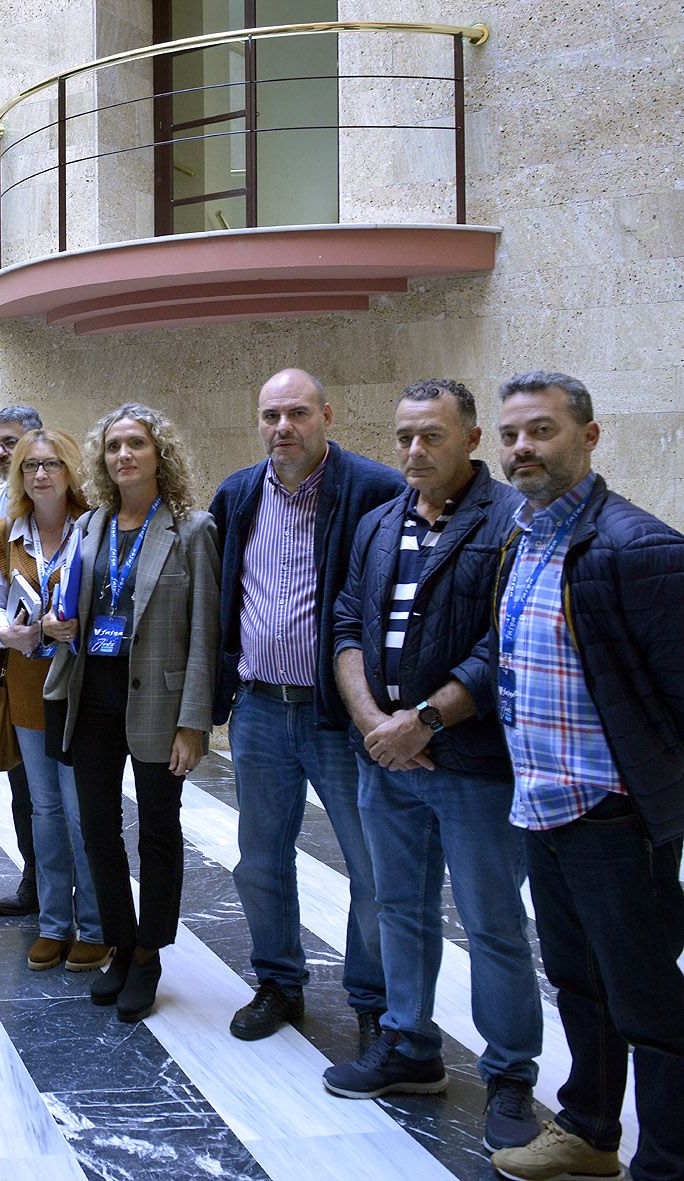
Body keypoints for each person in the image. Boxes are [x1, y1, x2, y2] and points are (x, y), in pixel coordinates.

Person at [326, 380, 541, 1151]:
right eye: (404, 437)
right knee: (397, 906)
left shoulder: (513, 522)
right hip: (385, 760)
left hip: (474, 765)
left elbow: (503, 642)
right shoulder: (379, 522)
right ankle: (411, 1044)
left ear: (473, 438)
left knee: (491, 923)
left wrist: (422, 720)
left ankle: (511, 1070)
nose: (414, 451)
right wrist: (375, 724)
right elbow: (347, 621)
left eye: (432, 437)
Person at [485, 372, 684, 1181]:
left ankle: (666, 1162)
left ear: (590, 437)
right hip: (543, 804)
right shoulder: (523, 537)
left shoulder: (641, 548)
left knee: (647, 1001)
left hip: (613, 811)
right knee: (576, 978)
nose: (521, 448)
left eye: (541, 430)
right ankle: (591, 1129)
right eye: (510, 435)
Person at [209, 368, 405, 1049]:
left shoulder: (376, 489)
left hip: (340, 715)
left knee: (370, 862)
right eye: (270, 415)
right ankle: (278, 981)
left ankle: (373, 1000)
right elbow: (222, 598)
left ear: (328, 413)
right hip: (260, 709)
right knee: (260, 857)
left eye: (296, 412)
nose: (282, 427)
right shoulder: (237, 493)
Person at [46, 404, 219, 1022]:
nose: (124, 455)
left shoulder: (193, 529)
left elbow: (205, 631)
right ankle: (119, 942)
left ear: (158, 455)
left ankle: (149, 953)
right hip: (92, 694)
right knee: (96, 825)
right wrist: (54, 624)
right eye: (114, 445)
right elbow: (70, 600)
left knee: (157, 832)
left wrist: (194, 722)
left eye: (137, 445)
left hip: (160, 701)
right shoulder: (89, 525)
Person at [0, 427, 107, 970]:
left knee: (84, 810)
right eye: (30, 467)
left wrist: (78, 624)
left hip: (85, 685)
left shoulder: (97, 527)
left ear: (70, 470)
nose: (39, 474)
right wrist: (4, 633)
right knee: (46, 808)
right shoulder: (6, 533)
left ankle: (98, 923)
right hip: (30, 683)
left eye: (51, 464)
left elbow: (115, 597)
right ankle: (55, 922)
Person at [0, 405, 45, 917]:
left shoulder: (63, 498)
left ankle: (80, 892)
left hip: (63, 660)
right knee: (22, 784)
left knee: (67, 789)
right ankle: (35, 880)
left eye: (11, 442)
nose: (3, 452)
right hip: (12, 662)